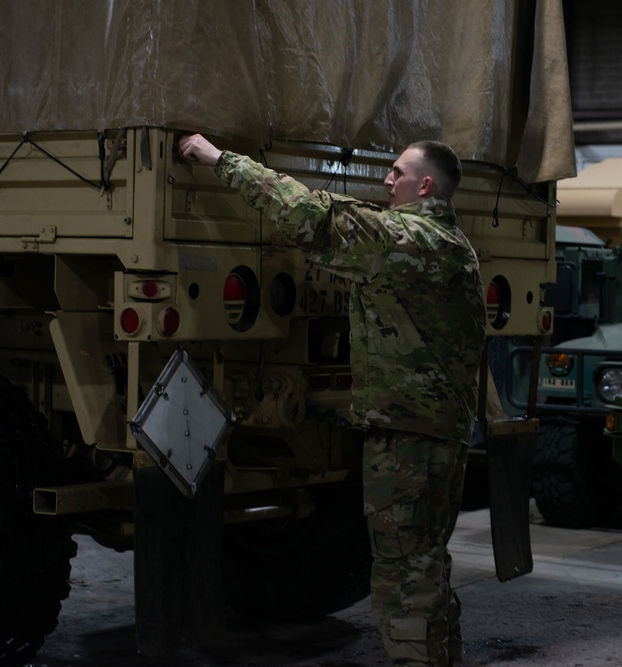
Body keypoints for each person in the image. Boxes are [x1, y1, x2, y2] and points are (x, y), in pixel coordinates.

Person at [178, 134, 486, 666]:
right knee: (425, 563)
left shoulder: (405, 239)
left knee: (401, 574)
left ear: (425, 185)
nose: (387, 181)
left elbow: (309, 216)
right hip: (440, 433)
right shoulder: (454, 244)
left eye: (397, 173)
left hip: (407, 437)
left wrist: (218, 158)